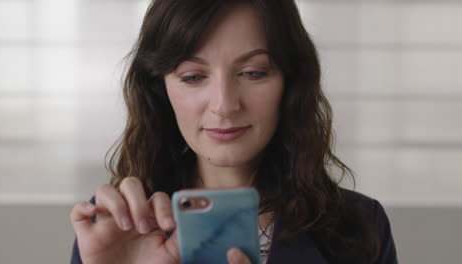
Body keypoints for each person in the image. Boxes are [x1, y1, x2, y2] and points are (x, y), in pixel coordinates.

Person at [70, 0, 398, 263]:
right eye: (193, 77)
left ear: (290, 82)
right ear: (160, 90)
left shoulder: (359, 227)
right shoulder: (119, 228)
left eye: (253, 73)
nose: (225, 105)